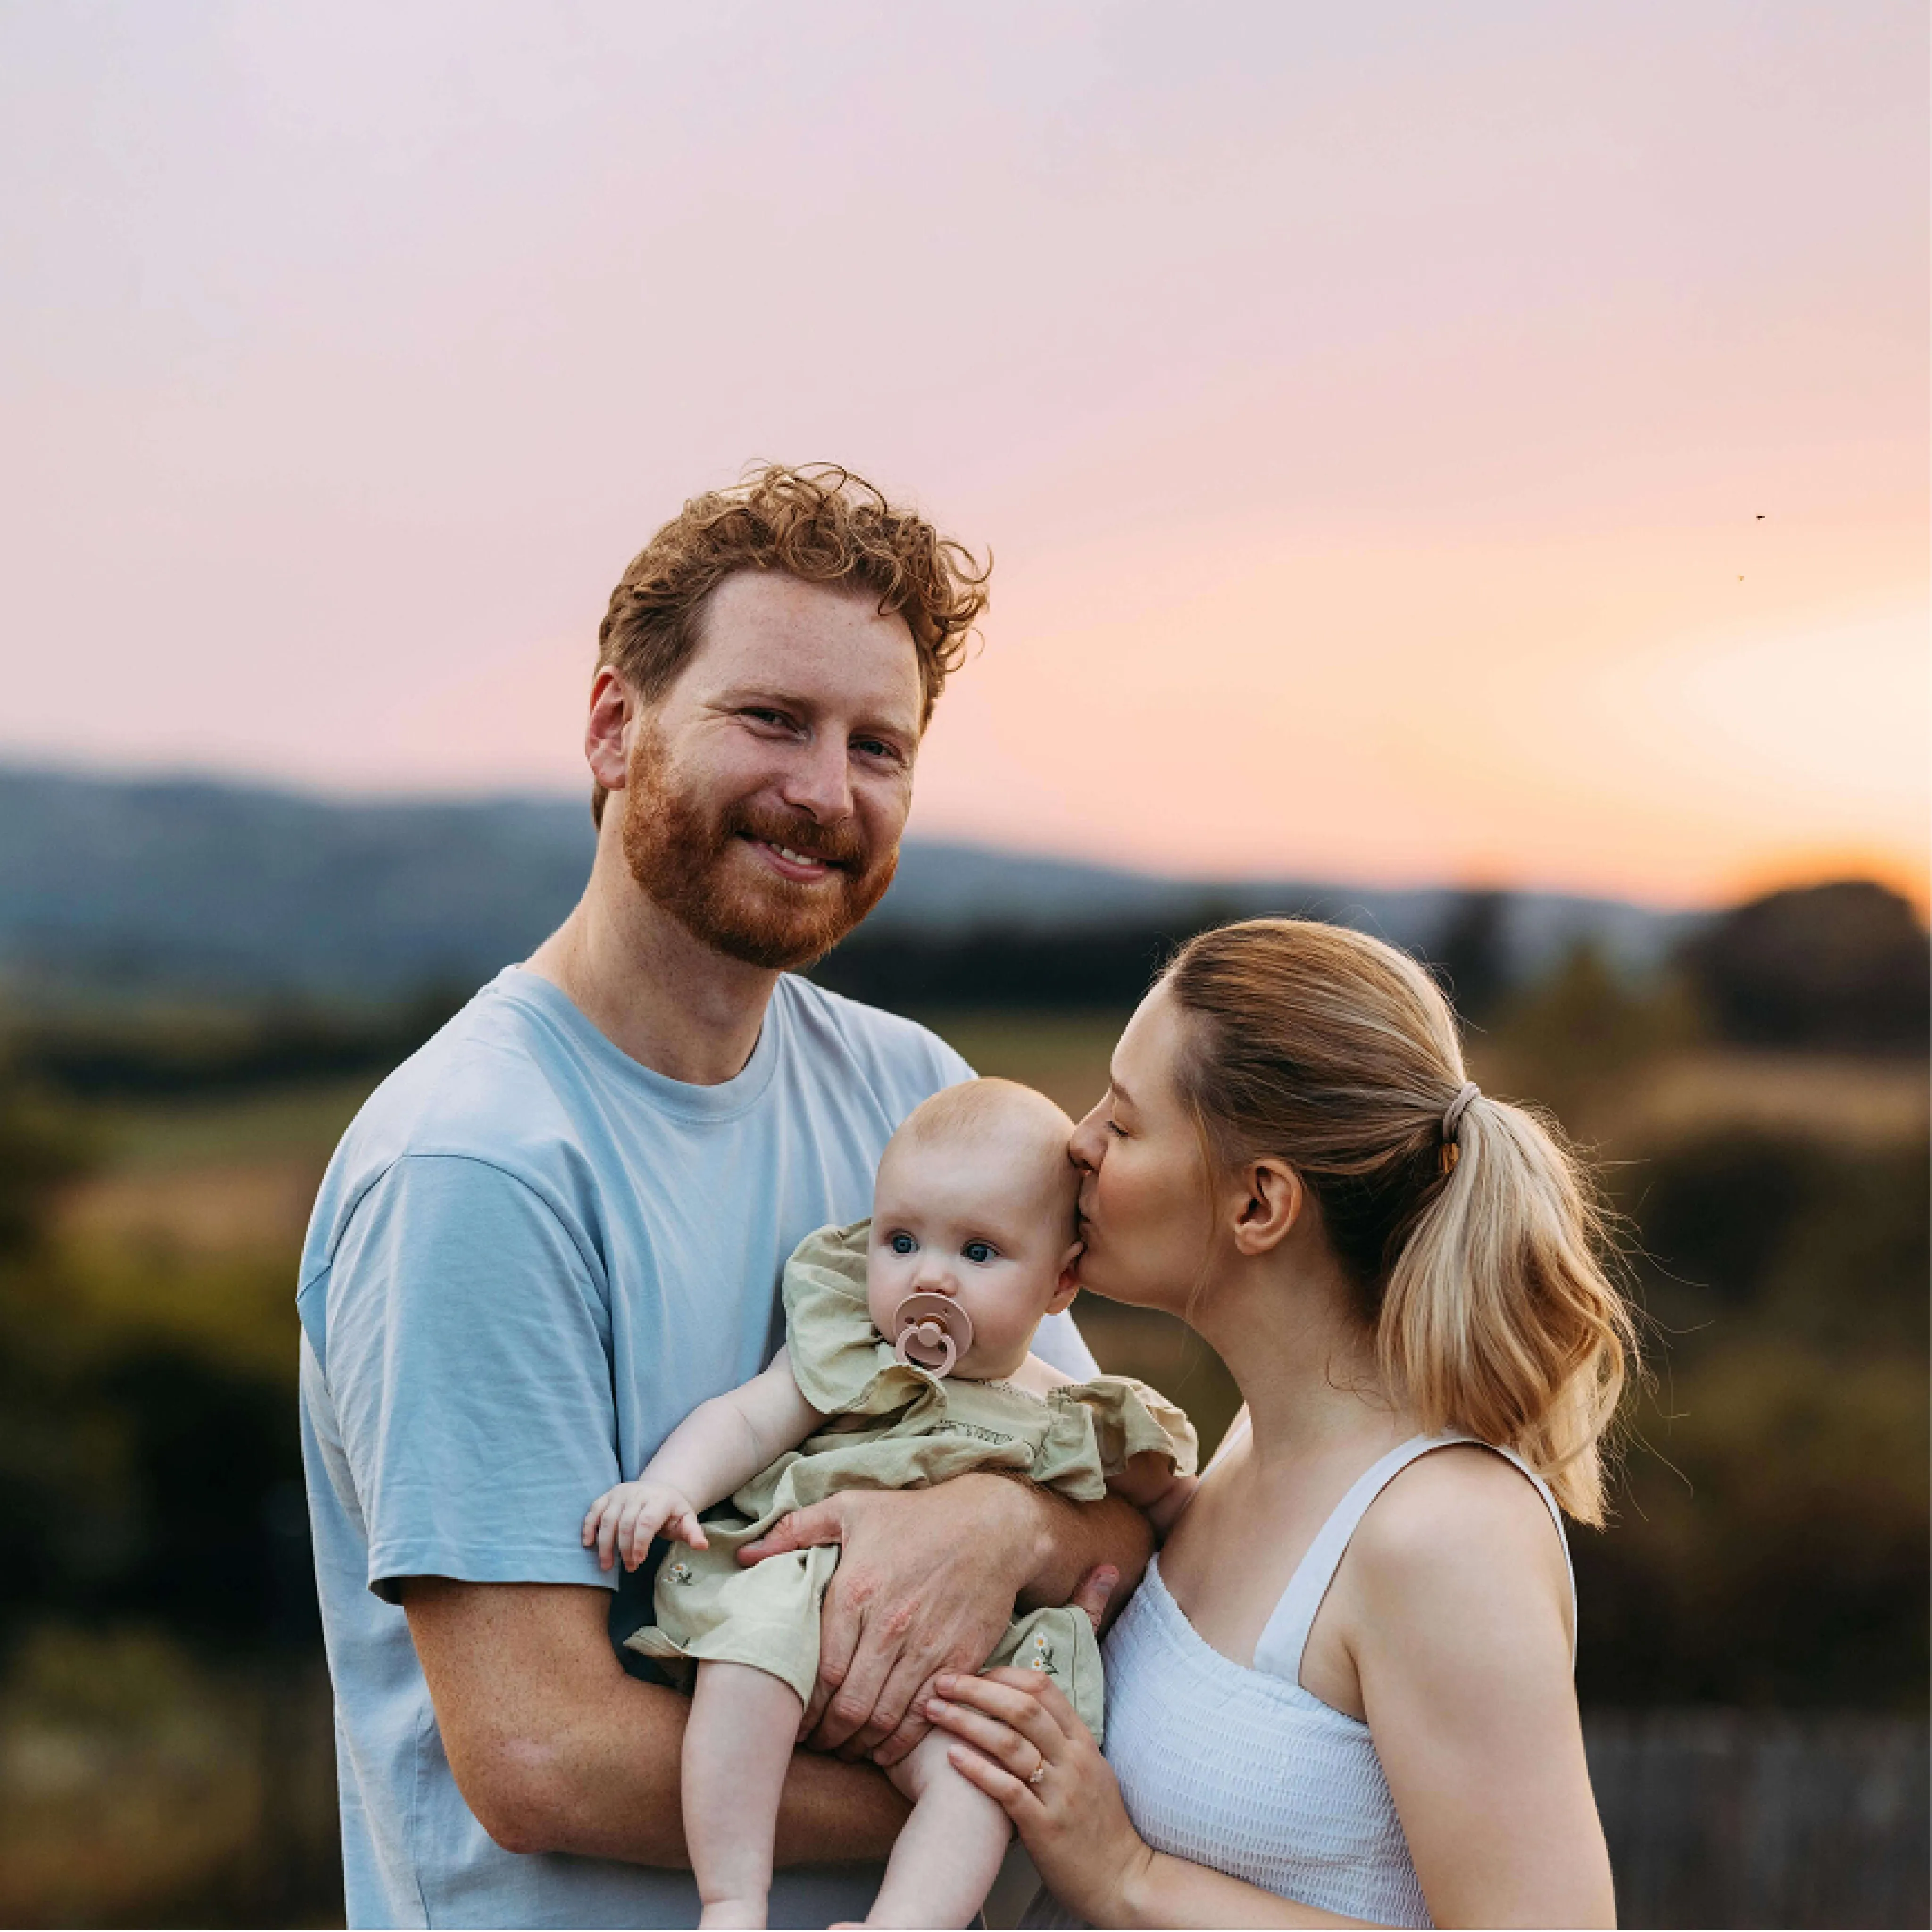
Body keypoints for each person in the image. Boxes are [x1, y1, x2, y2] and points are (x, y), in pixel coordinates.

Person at [296, 466, 1150, 1929]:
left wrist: (995, 1530)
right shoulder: (478, 1165)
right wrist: (1010, 1799)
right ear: (613, 727)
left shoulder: (917, 1097)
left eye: (877, 745)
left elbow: (1124, 1514)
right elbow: (544, 1757)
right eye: (771, 718)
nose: (824, 792)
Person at [924, 917, 1633, 1928]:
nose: (1078, 1141)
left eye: (1123, 1122)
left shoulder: (1442, 1534)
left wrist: (1128, 1876)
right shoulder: (1248, 1451)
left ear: (1259, 1204)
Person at [580, 1078, 1198, 1929]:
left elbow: (1176, 1515)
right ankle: (731, 1899)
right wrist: (669, 1488)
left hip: (965, 1668)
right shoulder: (852, 1354)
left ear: (1060, 1283)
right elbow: (749, 1420)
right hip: (802, 1592)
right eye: (901, 1241)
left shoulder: (1076, 1416)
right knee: (746, 1664)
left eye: (979, 1253)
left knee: (981, 1774)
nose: (930, 1274)